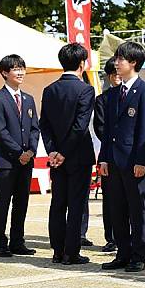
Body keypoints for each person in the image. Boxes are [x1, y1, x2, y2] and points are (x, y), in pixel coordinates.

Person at [99, 42, 145, 272]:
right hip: (113, 161)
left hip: (134, 162)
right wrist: (104, 158)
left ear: (133, 62)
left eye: (121, 59)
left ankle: (138, 255)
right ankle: (122, 253)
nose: (116, 62)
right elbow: (108, 131)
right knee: (117, 209)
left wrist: (142, 161)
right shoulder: (113, 94)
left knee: (136, 209)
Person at [40, 43, 95, 265]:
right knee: (76, 204)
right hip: (78, 156)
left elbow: (45, 125)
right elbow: (80, 126)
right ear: (82, 64)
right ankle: (71, 252)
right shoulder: (85, 90)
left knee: (58, 203)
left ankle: (57, 250)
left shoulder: (50, 89)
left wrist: (53, 151)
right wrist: (62, 152)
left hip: (56, 159)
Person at [0, 55, 40, 257]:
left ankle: (17, 241)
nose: (20, 73)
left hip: (26, 161)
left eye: (22, 68)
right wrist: (19, 153)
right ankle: (0, 243)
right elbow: (0, 131)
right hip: (6, 161)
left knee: (22, 202)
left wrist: (31, 151)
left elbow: (35, 128)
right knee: (3, 202)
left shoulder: (28, 99)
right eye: (15, 69)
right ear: (4, 73)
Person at [93, 57, 121, 253]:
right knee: (110, 198)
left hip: (129, 155)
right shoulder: (102, 99)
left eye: (119, 74)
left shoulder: (137, 95)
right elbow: (100, 127)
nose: (117, 78)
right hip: (109, 154)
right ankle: (111, 237)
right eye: (113, 75)